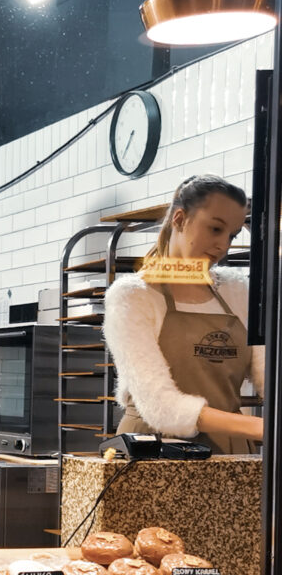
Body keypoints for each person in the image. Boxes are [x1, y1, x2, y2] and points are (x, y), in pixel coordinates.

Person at [103, 174, 264, 454]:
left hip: (227, 452)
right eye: (215, 229)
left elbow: (269, 377)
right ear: (179, 219)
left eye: (232, 235)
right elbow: (159, 405)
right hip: (154, 451)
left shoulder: (238, 291)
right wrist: (260, 428)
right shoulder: (132, 296)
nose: (223, 245)